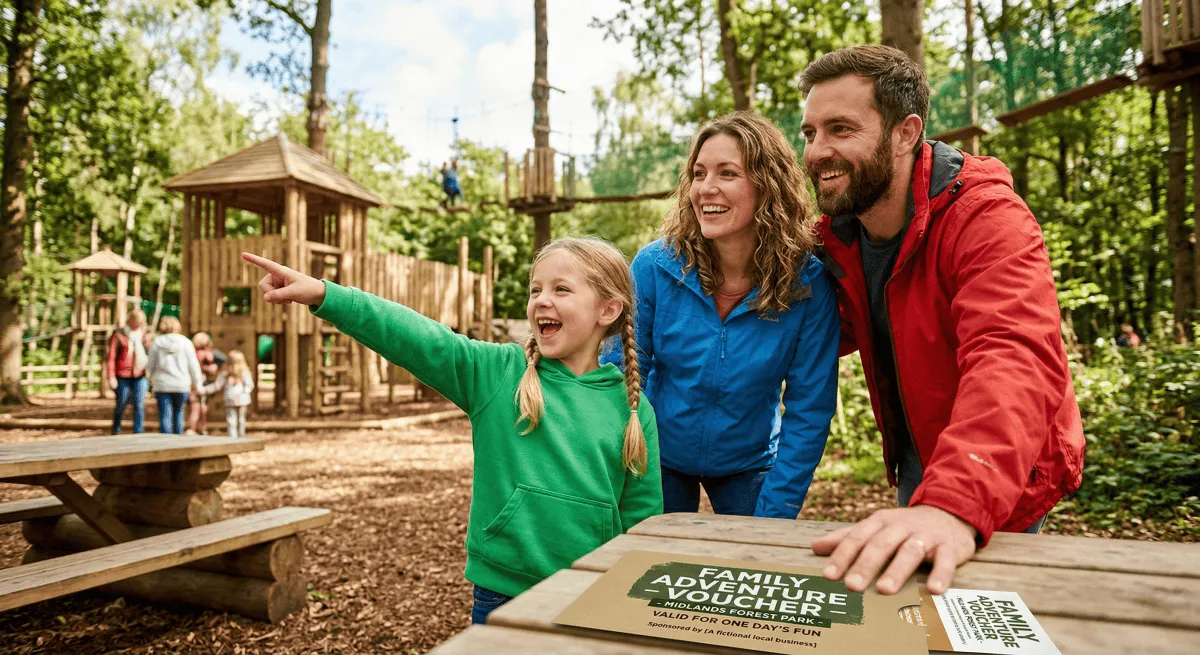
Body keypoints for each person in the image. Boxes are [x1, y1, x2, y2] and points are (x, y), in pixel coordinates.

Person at [241, 236, 662, 624]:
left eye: (561, 289)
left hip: (587, 597)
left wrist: (627, 608)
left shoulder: (631, 408)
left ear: (607, 309)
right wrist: (324, 294)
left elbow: (641, 522)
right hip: (503, 595)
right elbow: (416, 337)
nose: (541, 301)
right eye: (536, 290)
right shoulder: (498, 373)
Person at [797, 45, 1085, 596]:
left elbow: (1014, 355)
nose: (817, 151)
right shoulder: (838, 236)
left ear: (906, 133)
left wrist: (953, 502)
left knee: (976, 611)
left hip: (1000, 463)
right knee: (915, 608)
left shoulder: (986, 217)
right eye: (810, 133)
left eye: (839, 129)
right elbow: (802, 331)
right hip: (917, 456)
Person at [602, 111, 840, 519]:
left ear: (767, 186)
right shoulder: (655, 268)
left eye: (727, 173)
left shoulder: (808, 286)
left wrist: (775, 513)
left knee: (754, 565)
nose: (705, 189)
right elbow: (619, 376)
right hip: (660, 453)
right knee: (652, 568)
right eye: (698, 173)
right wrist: (625, 476)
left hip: (749, 460)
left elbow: (809, 407)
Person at [146, 316, 203, 435]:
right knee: (179, 414)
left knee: (164, 416)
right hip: (181, 384)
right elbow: (193, 365)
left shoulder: (157, 343)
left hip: (162, 384)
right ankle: (177, 442)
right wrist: (197, 384)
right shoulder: (185, 342)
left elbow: (150, 365)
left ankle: (166, 443)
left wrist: (149, 379)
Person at [106, 310, 149, 434]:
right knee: (121, 404)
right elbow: (111, 357)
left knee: (139, 405)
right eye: (137, 321)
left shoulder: (144, 336)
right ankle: (116, 429)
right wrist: (111, 376)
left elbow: (150, 354)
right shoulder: (119, 335)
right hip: (122, 375)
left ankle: (138, 432)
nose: (139, 324)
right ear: (130, 321)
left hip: (140, 375)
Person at [204, 350, 254, 438]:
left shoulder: (243, 373)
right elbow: (217, 385)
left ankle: (239, 437)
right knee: (234, 420)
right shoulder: (226, 374)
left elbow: (249, 385)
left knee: (238, 420)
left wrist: (244, 392)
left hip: (240, 399)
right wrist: (205, 390)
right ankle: (234, 438)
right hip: (232, 400)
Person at [186, 332, 220, 435]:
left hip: (198, 382)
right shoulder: (198, 353)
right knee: (197, 406)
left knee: (200, 406)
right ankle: (194, 428)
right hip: (197, 382)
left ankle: (200, 428)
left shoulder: (197, 352)